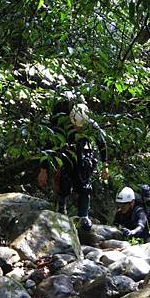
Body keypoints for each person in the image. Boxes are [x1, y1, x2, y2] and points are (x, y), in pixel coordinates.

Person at [37, 99, 109, 231]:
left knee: (85, 185)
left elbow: (101, 144)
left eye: (81, 127)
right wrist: (43, 169)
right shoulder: (61, 125)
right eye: (76, 125)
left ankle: (83, 216)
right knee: (63, 181)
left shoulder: (92, 126)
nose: (78, 128)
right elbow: (49, 147)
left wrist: (105, 165)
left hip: (84, 157)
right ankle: (61, 209)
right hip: (66, 156)